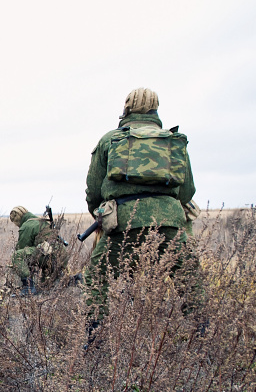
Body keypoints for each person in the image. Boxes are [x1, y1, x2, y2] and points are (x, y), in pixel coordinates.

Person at [82, 87, 198, 320]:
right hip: (171, 223)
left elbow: (93, 190)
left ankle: (93, 342)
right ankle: (204, 336)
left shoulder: (110, 139)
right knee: (191, 284)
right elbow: (187, 191)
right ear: (155, 110)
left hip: (123, 222)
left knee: (97, 278)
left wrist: (100, 214)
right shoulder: (172, 141)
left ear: (126, 109)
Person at [8, 206, 69, 295]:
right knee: (46, 287)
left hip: (49, 256)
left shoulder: (27, 226)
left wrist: (19, 268)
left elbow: (22, 250)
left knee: (17, 255)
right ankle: (74, 279)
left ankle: (28, 288)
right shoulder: (40, 221)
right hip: (60, 256)